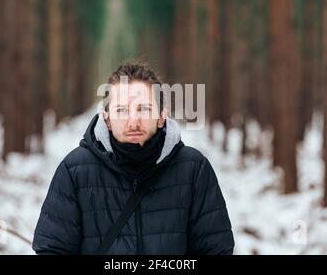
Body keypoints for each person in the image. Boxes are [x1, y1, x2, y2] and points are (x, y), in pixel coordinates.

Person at [32, 62, 234, 254]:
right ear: (107, 118)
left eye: (144, 109)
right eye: (122, 110)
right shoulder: (74, 171)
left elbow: (216, 248)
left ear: (162, 116)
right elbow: (52, 248)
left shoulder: (193, 169)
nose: (133, 121)